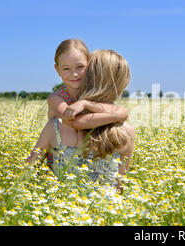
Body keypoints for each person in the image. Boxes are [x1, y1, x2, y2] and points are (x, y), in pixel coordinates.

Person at [27, 49, 135, 192]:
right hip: (105, 211)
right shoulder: (128, 132)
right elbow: (120, 187)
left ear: (88, 77)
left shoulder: (56, 127)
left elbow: (27, 170)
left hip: (61, 210)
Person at [45, 39, 130, 167]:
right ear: (57, 69)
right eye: (66, 68)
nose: (74, 74)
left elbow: (118, 110)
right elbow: (73, 121)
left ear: (89, 67)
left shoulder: (89, 97)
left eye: (80, 67)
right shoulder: (56, 98)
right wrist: (116, 116)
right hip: (56, 159)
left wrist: (87, 104)